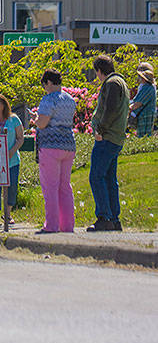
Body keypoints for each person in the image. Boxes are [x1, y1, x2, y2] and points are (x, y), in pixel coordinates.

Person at [87, 54, 129, 232]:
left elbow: (110, 109)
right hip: (116, 137)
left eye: (96, 72)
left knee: (96, 176)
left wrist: (100, 130)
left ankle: (104, 216)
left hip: (107, 137)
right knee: (110, 179)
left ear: (99, 70)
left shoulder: (111, 83)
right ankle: (114, 218)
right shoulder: (121, 82)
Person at [34, 69, 77, 233]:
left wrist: (35, 120)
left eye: (45, 85)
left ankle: (51, 225)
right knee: (65, 187)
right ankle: (67, 225)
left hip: (51, 145)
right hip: (68, 144)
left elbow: (43, 123)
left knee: (50, 187)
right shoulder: (70, 99)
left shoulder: (48, 99)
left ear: (49, 83)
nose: (45, 88)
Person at [130, 62, 155, 138]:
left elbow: (138, 103)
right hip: (143, 115)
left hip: (146, 115)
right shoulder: (143, 86)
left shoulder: (148, 88)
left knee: (144, 136)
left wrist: (128, 108)